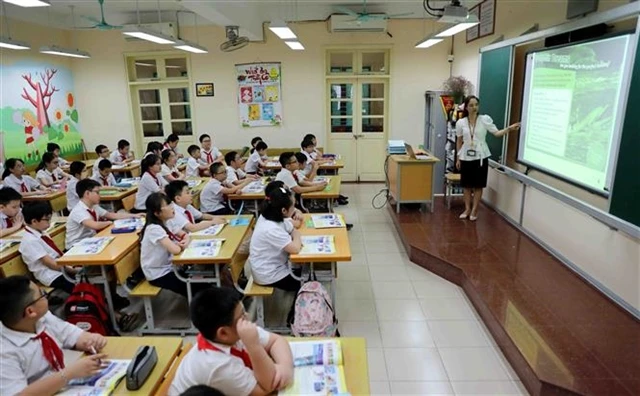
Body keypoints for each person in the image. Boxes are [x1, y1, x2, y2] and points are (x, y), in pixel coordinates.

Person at [169, 287, 294, 396]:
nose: (247, 316)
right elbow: (265, 388)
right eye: (241, 316)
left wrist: (285, 367)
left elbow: (277, 340)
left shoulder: (230, 332)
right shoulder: (217, 365)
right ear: (223, 333)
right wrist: (254, 345)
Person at [0, 275, 108, 396]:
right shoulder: (4, 352)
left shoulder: (42, 318)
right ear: (30, 311)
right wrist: (68, 374)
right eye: (41, 294)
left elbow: (70, 334)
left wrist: (90, 340)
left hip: (63, 386)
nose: (45, 294)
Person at [455, 95, 520, 221]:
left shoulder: (484, 119)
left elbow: (496, 133)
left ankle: (474, 210)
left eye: (476, 105)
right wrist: (458, 158)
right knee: (467, 185)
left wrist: (509, 129)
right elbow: (459, 140)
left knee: (478, 185)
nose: (474, 107)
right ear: (466, 107)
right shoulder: (461, 122)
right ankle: (467, 209)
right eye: (471, 105)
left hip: (480, 156)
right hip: (466, 156)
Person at [140, 192, 207, 298]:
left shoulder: (168, 221)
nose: (172, 207)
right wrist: (182, 244)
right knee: (197, 289)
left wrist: (185, 239)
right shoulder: (154, 229)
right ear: (157, 213)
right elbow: (175, 250)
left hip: (170, 267)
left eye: (170, 203)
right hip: (158, 274)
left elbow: (184, 234)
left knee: (203, 283)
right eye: (167, 205)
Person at [66, 179, 143, 250]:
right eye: (97, 192)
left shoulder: (94, 206)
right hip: (76, 246)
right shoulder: (79, 210)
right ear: (87, 193)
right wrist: (111, 223)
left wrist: (134, 215)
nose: (100, 195)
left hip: (90, 241)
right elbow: (94, 225)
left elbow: (111, 215)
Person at [19, 202, 77, 294]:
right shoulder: (30, 241)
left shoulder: (41, 232)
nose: (49, 222)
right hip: (50, 274)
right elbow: (50, 264)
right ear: (34, 221)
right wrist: (73, 270)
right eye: (47, 219)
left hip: (59, 266)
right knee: (80, 284)